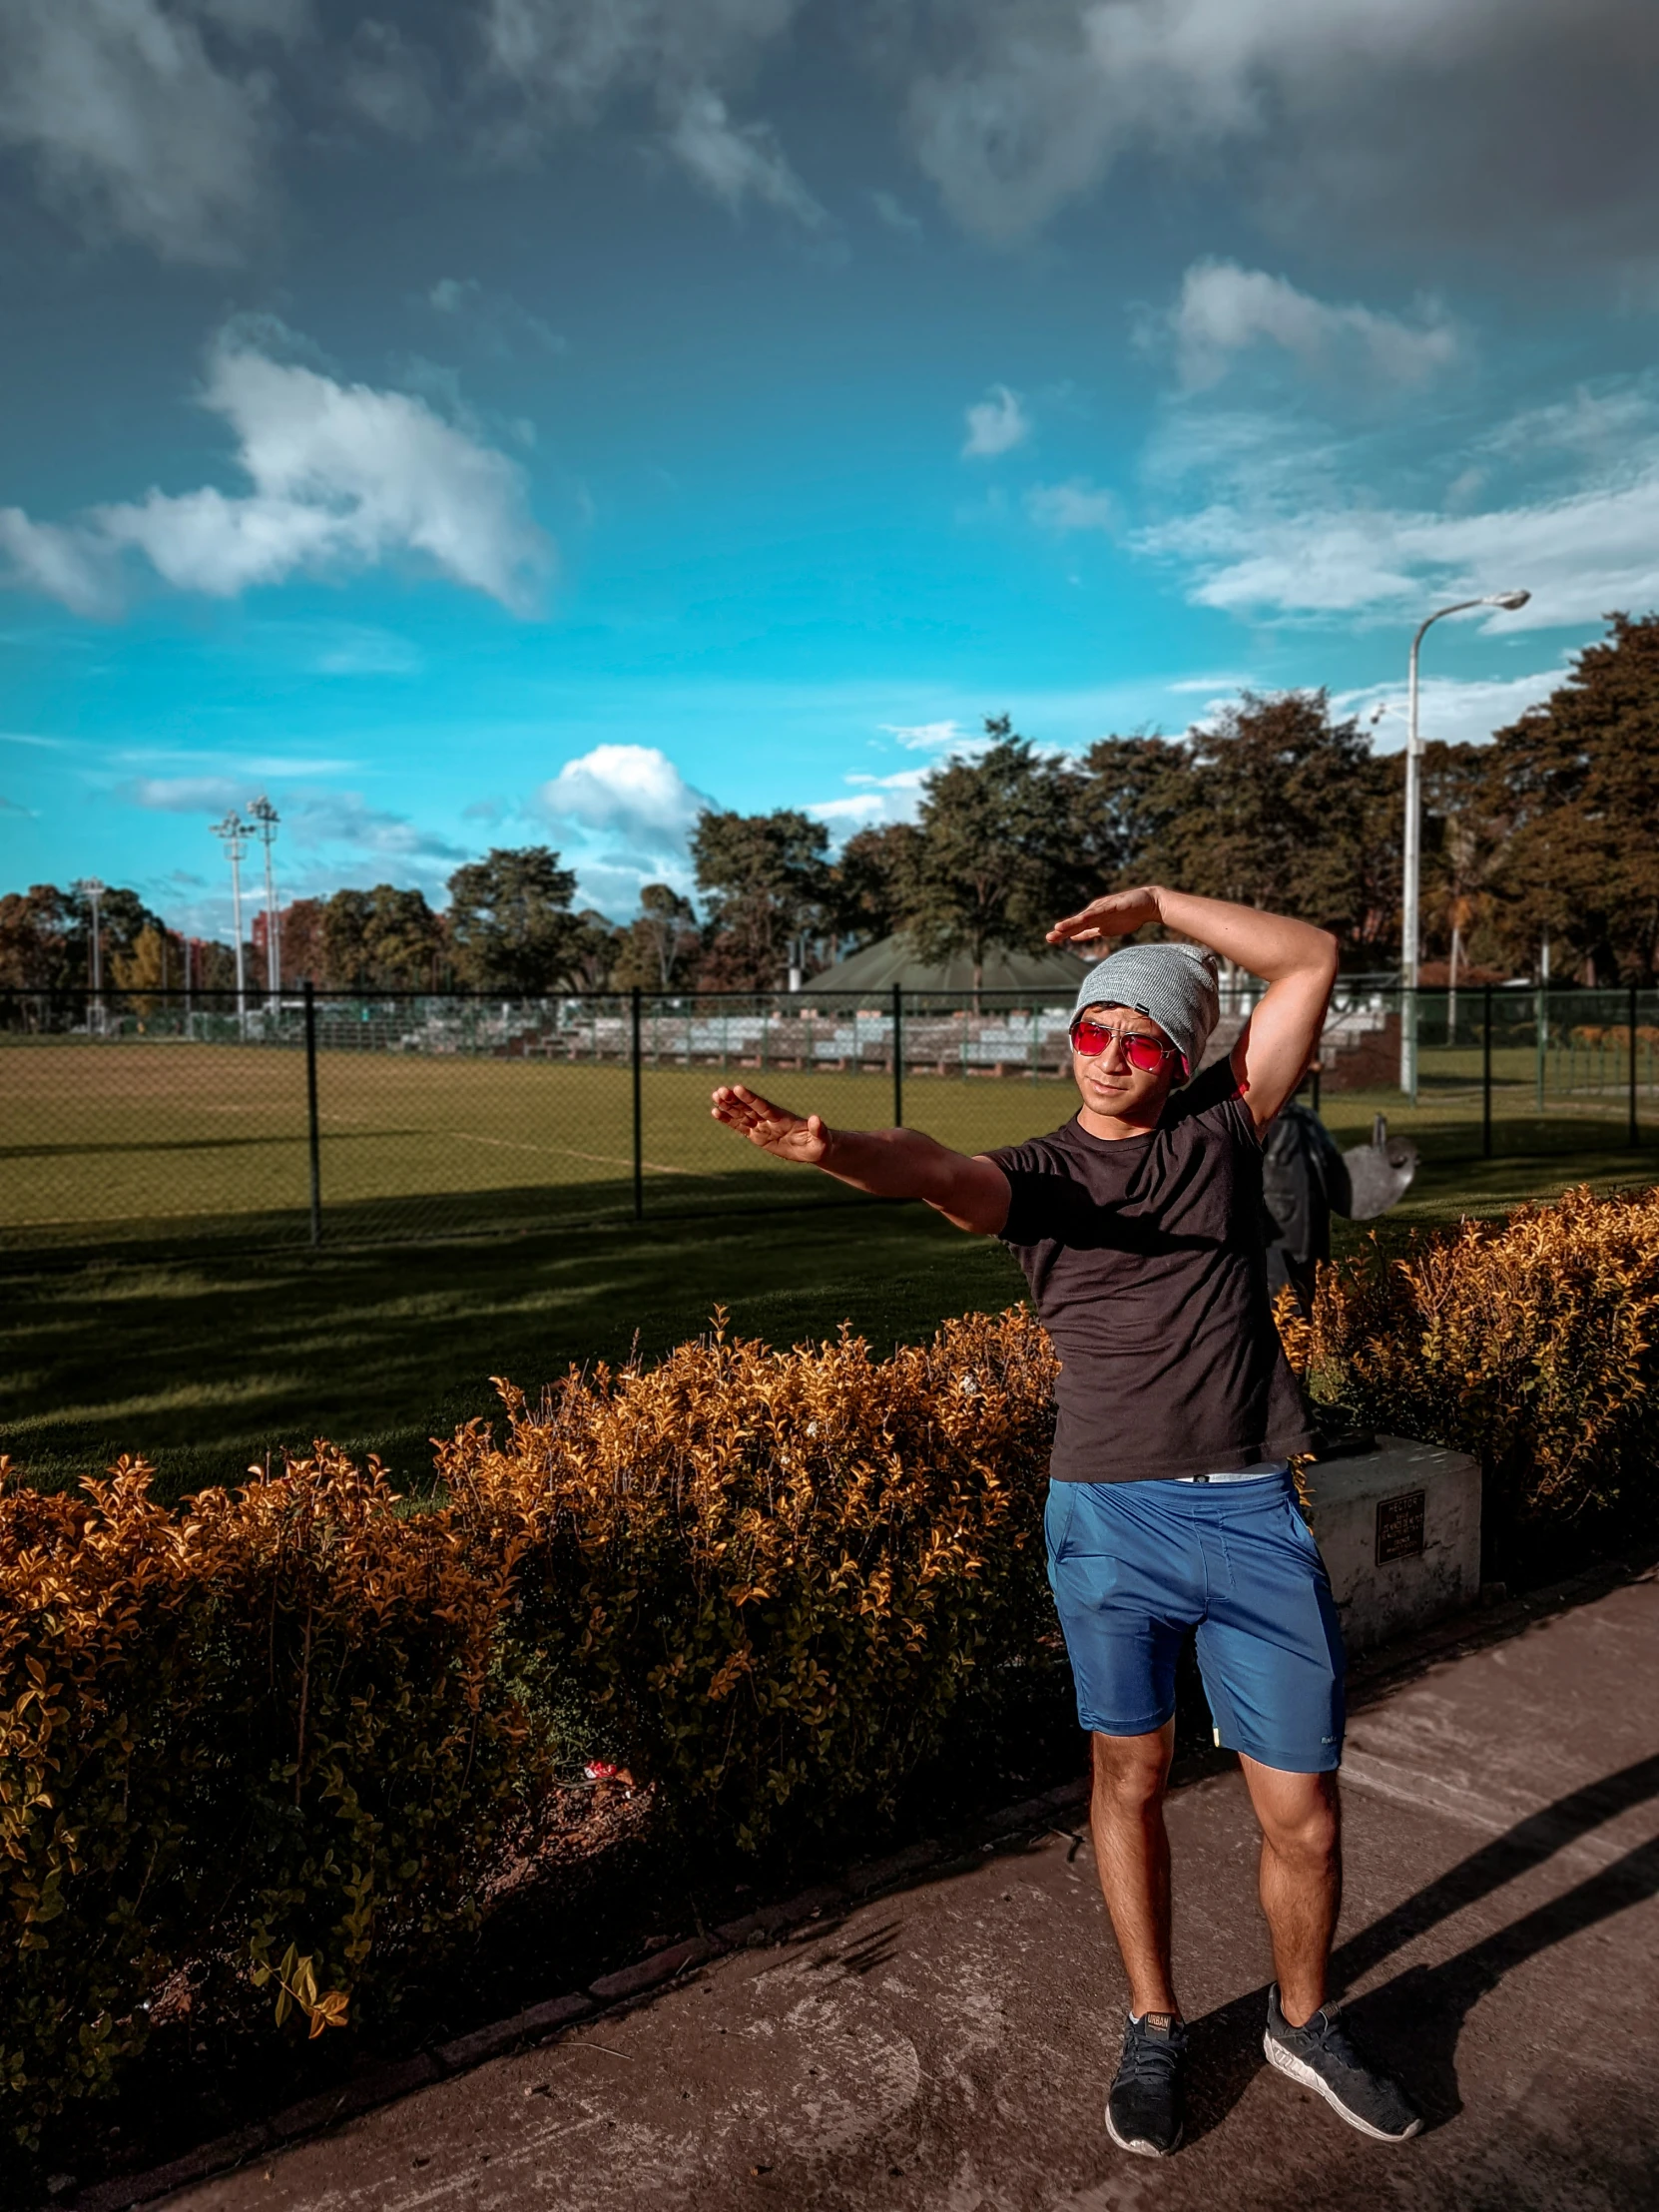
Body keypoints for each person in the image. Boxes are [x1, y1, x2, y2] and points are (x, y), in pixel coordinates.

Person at [709, 884, 1420, 2160]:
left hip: (1252, 1508)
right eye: (1090, 1030)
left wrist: (1158, 905)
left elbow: (1310, 954)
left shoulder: (1221, 1128)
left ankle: (1302, 2022)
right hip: (1108, 1519)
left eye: (1138, 1037)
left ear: (1185, 1055)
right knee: (1128, 1775)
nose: (1106, 1055)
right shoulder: (1038, 1176)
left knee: (1303, 1809)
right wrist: (842, 1152)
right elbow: (937, 1166)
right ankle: (1155, 2021)